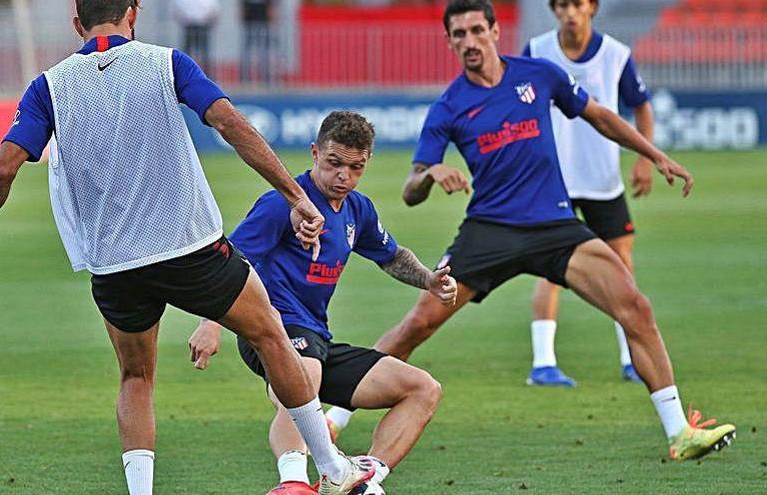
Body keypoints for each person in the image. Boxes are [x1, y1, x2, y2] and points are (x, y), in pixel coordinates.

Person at [0, 2, 375, 494]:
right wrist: (296, 196)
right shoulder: (165, 62)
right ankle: (333, 468)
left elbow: (3, 167)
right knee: (271, 334)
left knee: (135, 377)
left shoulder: (49, 86)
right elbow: (230, 124)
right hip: (189, 248)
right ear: (134, 14)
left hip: (115, 263)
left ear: (76, 23)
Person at [327, 0, 735, 462]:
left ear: (495, 31)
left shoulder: (538, 75)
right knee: (417, 324)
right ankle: (333, 419)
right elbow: (410, 189)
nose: (468, 41)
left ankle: (679, 431)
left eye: (476, 30)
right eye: (458, 35)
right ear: (449, 43)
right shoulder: (449, 106)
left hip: (554, 226)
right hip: (488, 231)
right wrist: (430, 174)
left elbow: (599, 115)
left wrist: (653, 153)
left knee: (635, 306)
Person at [188, 111, 454, 495]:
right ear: (315, 153)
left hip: (317, 338)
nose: (343, 175)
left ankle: (363, 478)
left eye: (355, 167)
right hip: (271, 330)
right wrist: (210, 323)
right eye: (334, 163)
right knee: (304, 376)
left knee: (422, 388)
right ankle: (293, 482)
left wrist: (428, 279)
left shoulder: (357, 209)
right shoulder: (283, 202)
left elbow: (391, 255)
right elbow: (228, 261)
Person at [517, 0, 655, 387]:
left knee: (621, 266)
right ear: (553, 10)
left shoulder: (615, 55)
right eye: (561, 5)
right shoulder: (537, 51)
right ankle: (543, 363)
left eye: (577, 4)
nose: (569, 12)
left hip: (601, 177)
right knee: (551, 268)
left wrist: (644, 159)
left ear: (592, 7)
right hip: (553, 179)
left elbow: (642, 106)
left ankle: (632, 357)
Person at [170, 0, 219, 75]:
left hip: (203, 27)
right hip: (189, 27)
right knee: (187, 53)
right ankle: (184, 73)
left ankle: (207, 75)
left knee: (204, 53)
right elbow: (175, 11)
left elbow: (214, 13)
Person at [241, 0, 275, 84]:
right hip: (250, 19)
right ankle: (245, 78)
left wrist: (271, 12)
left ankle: (265, 78)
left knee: (263, 51)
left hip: (263, 19)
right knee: (247, 52)